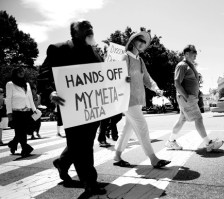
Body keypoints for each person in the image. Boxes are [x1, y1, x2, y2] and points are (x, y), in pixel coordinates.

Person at [38, 20, 106, 198]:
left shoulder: (95, 52)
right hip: (70, 107)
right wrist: (50, 92)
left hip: (92, 107)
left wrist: (122, 82)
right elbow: (44, 74)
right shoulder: (59, 49)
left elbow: (105, 76)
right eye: (85, 27)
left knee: (82, 144)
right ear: (74, 33)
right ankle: (90, 183)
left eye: (91, 26)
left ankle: (62, 163)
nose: (90, 29)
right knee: (82, 147)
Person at [113, 31, 171, 168]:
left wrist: (156, 88)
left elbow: (147, 78)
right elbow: (116, 78)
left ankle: (116, 156)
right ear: (132, 41)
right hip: (127, 100)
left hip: (138, 100)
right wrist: (123, 79)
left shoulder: (140, 60)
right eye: (140, 40)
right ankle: (153, 158)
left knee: (128, 128)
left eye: (144, 42)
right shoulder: (125, 57)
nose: (142, 44)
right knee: (142, 126)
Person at [165, 45, 224, 151]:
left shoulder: (189, 65)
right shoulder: (182, 65)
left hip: (189, 97)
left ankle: (171, 141)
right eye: (193, 52)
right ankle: (209, 144)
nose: (196, 55)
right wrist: (187, 97)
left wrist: (198, 92)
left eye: (196, 53)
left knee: (181, 120)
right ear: (186, 53)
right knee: (198, 118)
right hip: (187, 97)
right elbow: (177, 83)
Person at [6, 67, 36, 157]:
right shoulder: (10, 84)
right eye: (19, 71)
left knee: (23, 131)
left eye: (22, 71)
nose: (21, 73)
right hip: (17, 112)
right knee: (20, 131)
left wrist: (34, 109)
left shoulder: (27, 84)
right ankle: (25, 149)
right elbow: (8, 99)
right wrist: (9, 113)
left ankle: (13, 144)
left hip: (27, 111)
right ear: (15, 73)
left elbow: (30, 97)